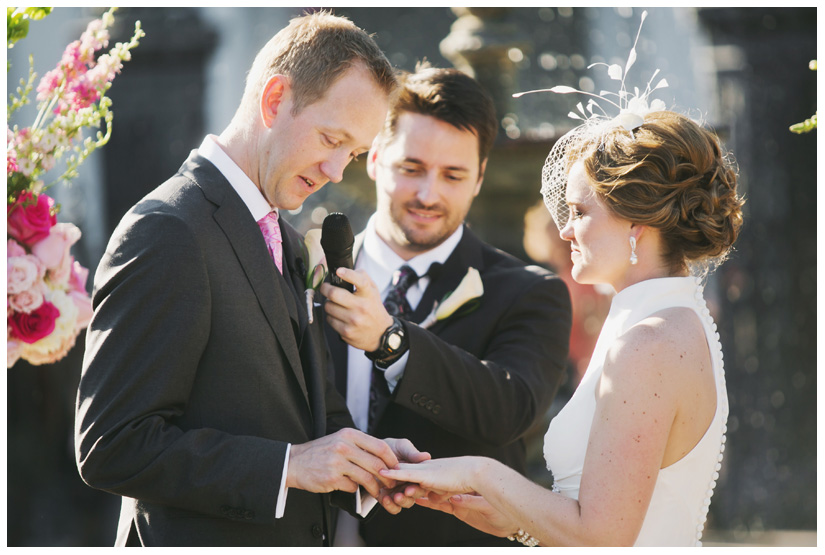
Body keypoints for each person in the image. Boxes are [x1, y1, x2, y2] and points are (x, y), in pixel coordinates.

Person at [74, 12, 428, 547]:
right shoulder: (167, 230)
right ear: (274, 99)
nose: (337, 172)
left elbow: (295, 412)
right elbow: (112, 444)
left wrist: (366, 459)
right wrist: (288, 466)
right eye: (331, 139)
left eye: (352, 154)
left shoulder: (282, 236)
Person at [381, 107, 745, 546]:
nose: (566, 230)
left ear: (636, 222)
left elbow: (602, 538)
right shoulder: (663, 316)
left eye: (579, 212)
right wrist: (513, 518)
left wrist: (477, 471)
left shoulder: (651, 340)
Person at [320, 62, 573, 546]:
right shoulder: (303, 269)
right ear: (373, 158)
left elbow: (509, 411)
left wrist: (392, 343)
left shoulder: (529, 293)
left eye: (453, 175)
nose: (427, 194)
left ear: (479, 177)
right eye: (411, 168)